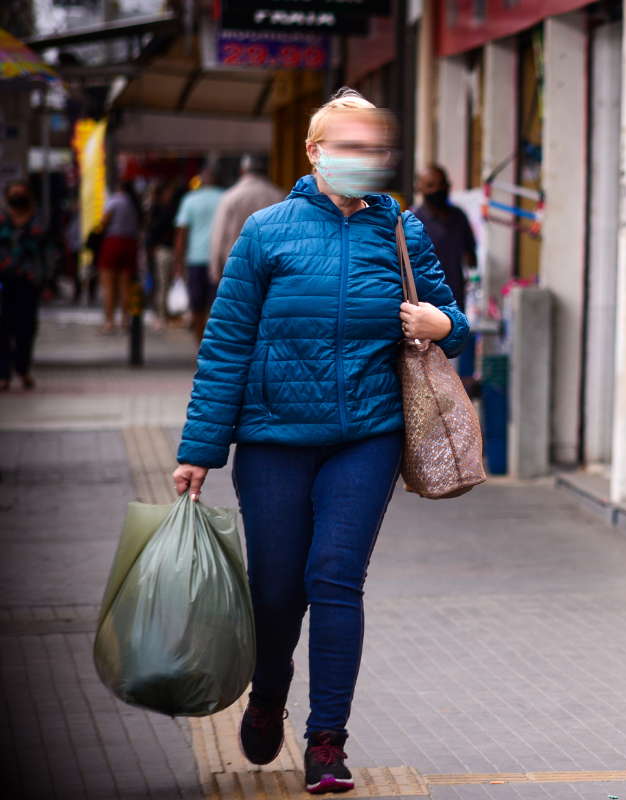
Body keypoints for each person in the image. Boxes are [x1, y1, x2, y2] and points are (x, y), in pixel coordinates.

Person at [171, 88, 469, 795]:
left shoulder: (400, 231)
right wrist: (198, 450)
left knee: (335, 578)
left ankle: (327, 743)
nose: (362, 160)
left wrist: (442, 325)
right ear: (314, 151)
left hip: (365, 437)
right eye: (347, 147)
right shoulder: (266, 232)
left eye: (372, 149)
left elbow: (454, 316)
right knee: (275, 594)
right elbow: (225, 345)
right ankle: (269, 691)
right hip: (273, 439)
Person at [0, 181, 52, 390]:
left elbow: (48, 255)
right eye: (14, 194)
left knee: (26, 327)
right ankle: (3, 373)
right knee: (2, 327)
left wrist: (47, 282)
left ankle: (22, 368)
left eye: (21, 194)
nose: (18, 198)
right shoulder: (2, 221)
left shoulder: (39, 224)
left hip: (29, 282)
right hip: (3, 281)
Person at [208, 154, 285, 287]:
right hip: (271, 271)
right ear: (267, 171)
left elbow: (219, 237)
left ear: (242, 171)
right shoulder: (279, 196)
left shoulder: (230, 197)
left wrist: (215, 271)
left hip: (236, 271)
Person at [412, 165, 475, 312]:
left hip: (456, 303)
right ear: (418, 188)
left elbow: (471, 257)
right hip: (424, 307)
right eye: (430, 185)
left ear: (448, 186)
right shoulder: (411, 222)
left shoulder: (459, 217)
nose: (437, 190)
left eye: (441, 185)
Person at [174, 164, 225, 344]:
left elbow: (181, 234)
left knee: (197, 305)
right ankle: (216, 343)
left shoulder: (190, 200)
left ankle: (200, 344)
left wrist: (178, 262)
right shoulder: (225, 197)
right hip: (221, 260)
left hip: (195, 260)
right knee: (218, 305)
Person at [96, 181, 142, 334]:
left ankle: (109, 322)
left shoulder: (114, 200)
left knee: (109, 285)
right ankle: (124, 321)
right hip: (130, 244)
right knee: (125, 286)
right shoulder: (134, 203)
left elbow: (104, 221)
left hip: (112, 243)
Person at [144, 182, 179, 327]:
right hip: (164, 250)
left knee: (163, 283)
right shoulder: (163, 211)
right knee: (163, 283)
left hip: (163, 250)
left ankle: (163, 314)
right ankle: (162, 314)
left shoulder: (162, 212)